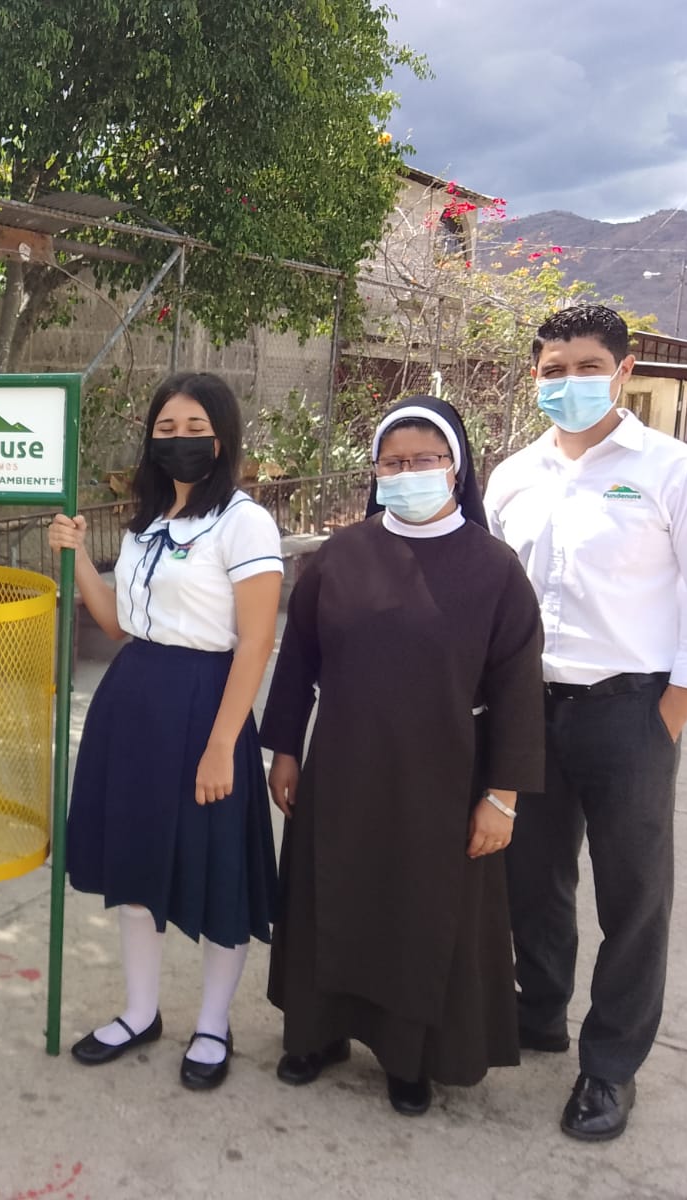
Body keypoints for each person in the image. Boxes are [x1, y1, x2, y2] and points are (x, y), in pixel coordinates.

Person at [261, 397, 545, 1116]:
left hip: (443, 775)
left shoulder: (495, 568)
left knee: (418, 914)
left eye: (424, 460)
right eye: (393, 462)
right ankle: (317, 1035)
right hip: (343, 766)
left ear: (456, 468)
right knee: (331, 897)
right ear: (376, 472)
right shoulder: (339, 556)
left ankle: (407, 1058)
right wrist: (285, 749)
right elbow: (298, 660)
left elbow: (517, 687)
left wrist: (503, 796)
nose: (408, 472)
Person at [487, 304, 687, 1142]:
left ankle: (611, 1066)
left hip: (631, 710)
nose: (570, 383)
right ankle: (540, 1009)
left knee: (634, 896)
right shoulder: (513, 477)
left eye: (588, 367)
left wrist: (666, 718)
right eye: (554, 370)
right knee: (533, 878)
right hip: (529, 707)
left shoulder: (680, 474)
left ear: (623, 372)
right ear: (535, 376)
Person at [47, 371, 280, 1089]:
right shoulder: (146, 522)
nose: (180, 441)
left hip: (206, 703)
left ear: (223, 438)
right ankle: (140, 1011)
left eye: (195, 429)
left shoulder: (243, 521)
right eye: (166, 429)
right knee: (136, 865)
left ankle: (212, 1023)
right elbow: (118, 623)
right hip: (134, 702)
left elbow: (255, 642)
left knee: (216, 872)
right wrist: (75, 558)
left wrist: (221, 745)